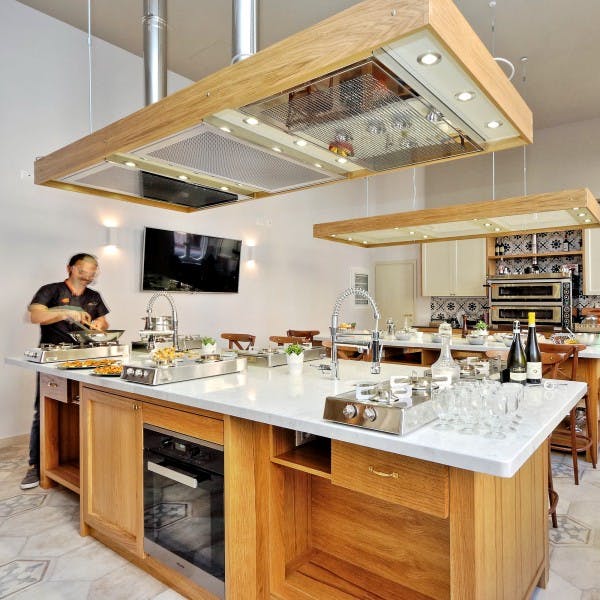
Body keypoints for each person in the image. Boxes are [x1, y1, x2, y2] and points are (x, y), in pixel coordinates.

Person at [21, 253, 109, 489]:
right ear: (70, 268)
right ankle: (36, 465)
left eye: (92, 271)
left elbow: (103, 323)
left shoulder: (93, 296)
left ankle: (84, 460)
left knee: (86, 409)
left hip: (86, 358)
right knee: (44, 410)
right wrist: (65, 312)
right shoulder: (50, 290)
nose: (88, 275)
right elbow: (36, 316)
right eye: (83, 270)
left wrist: (99, 325)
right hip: (53, 359)